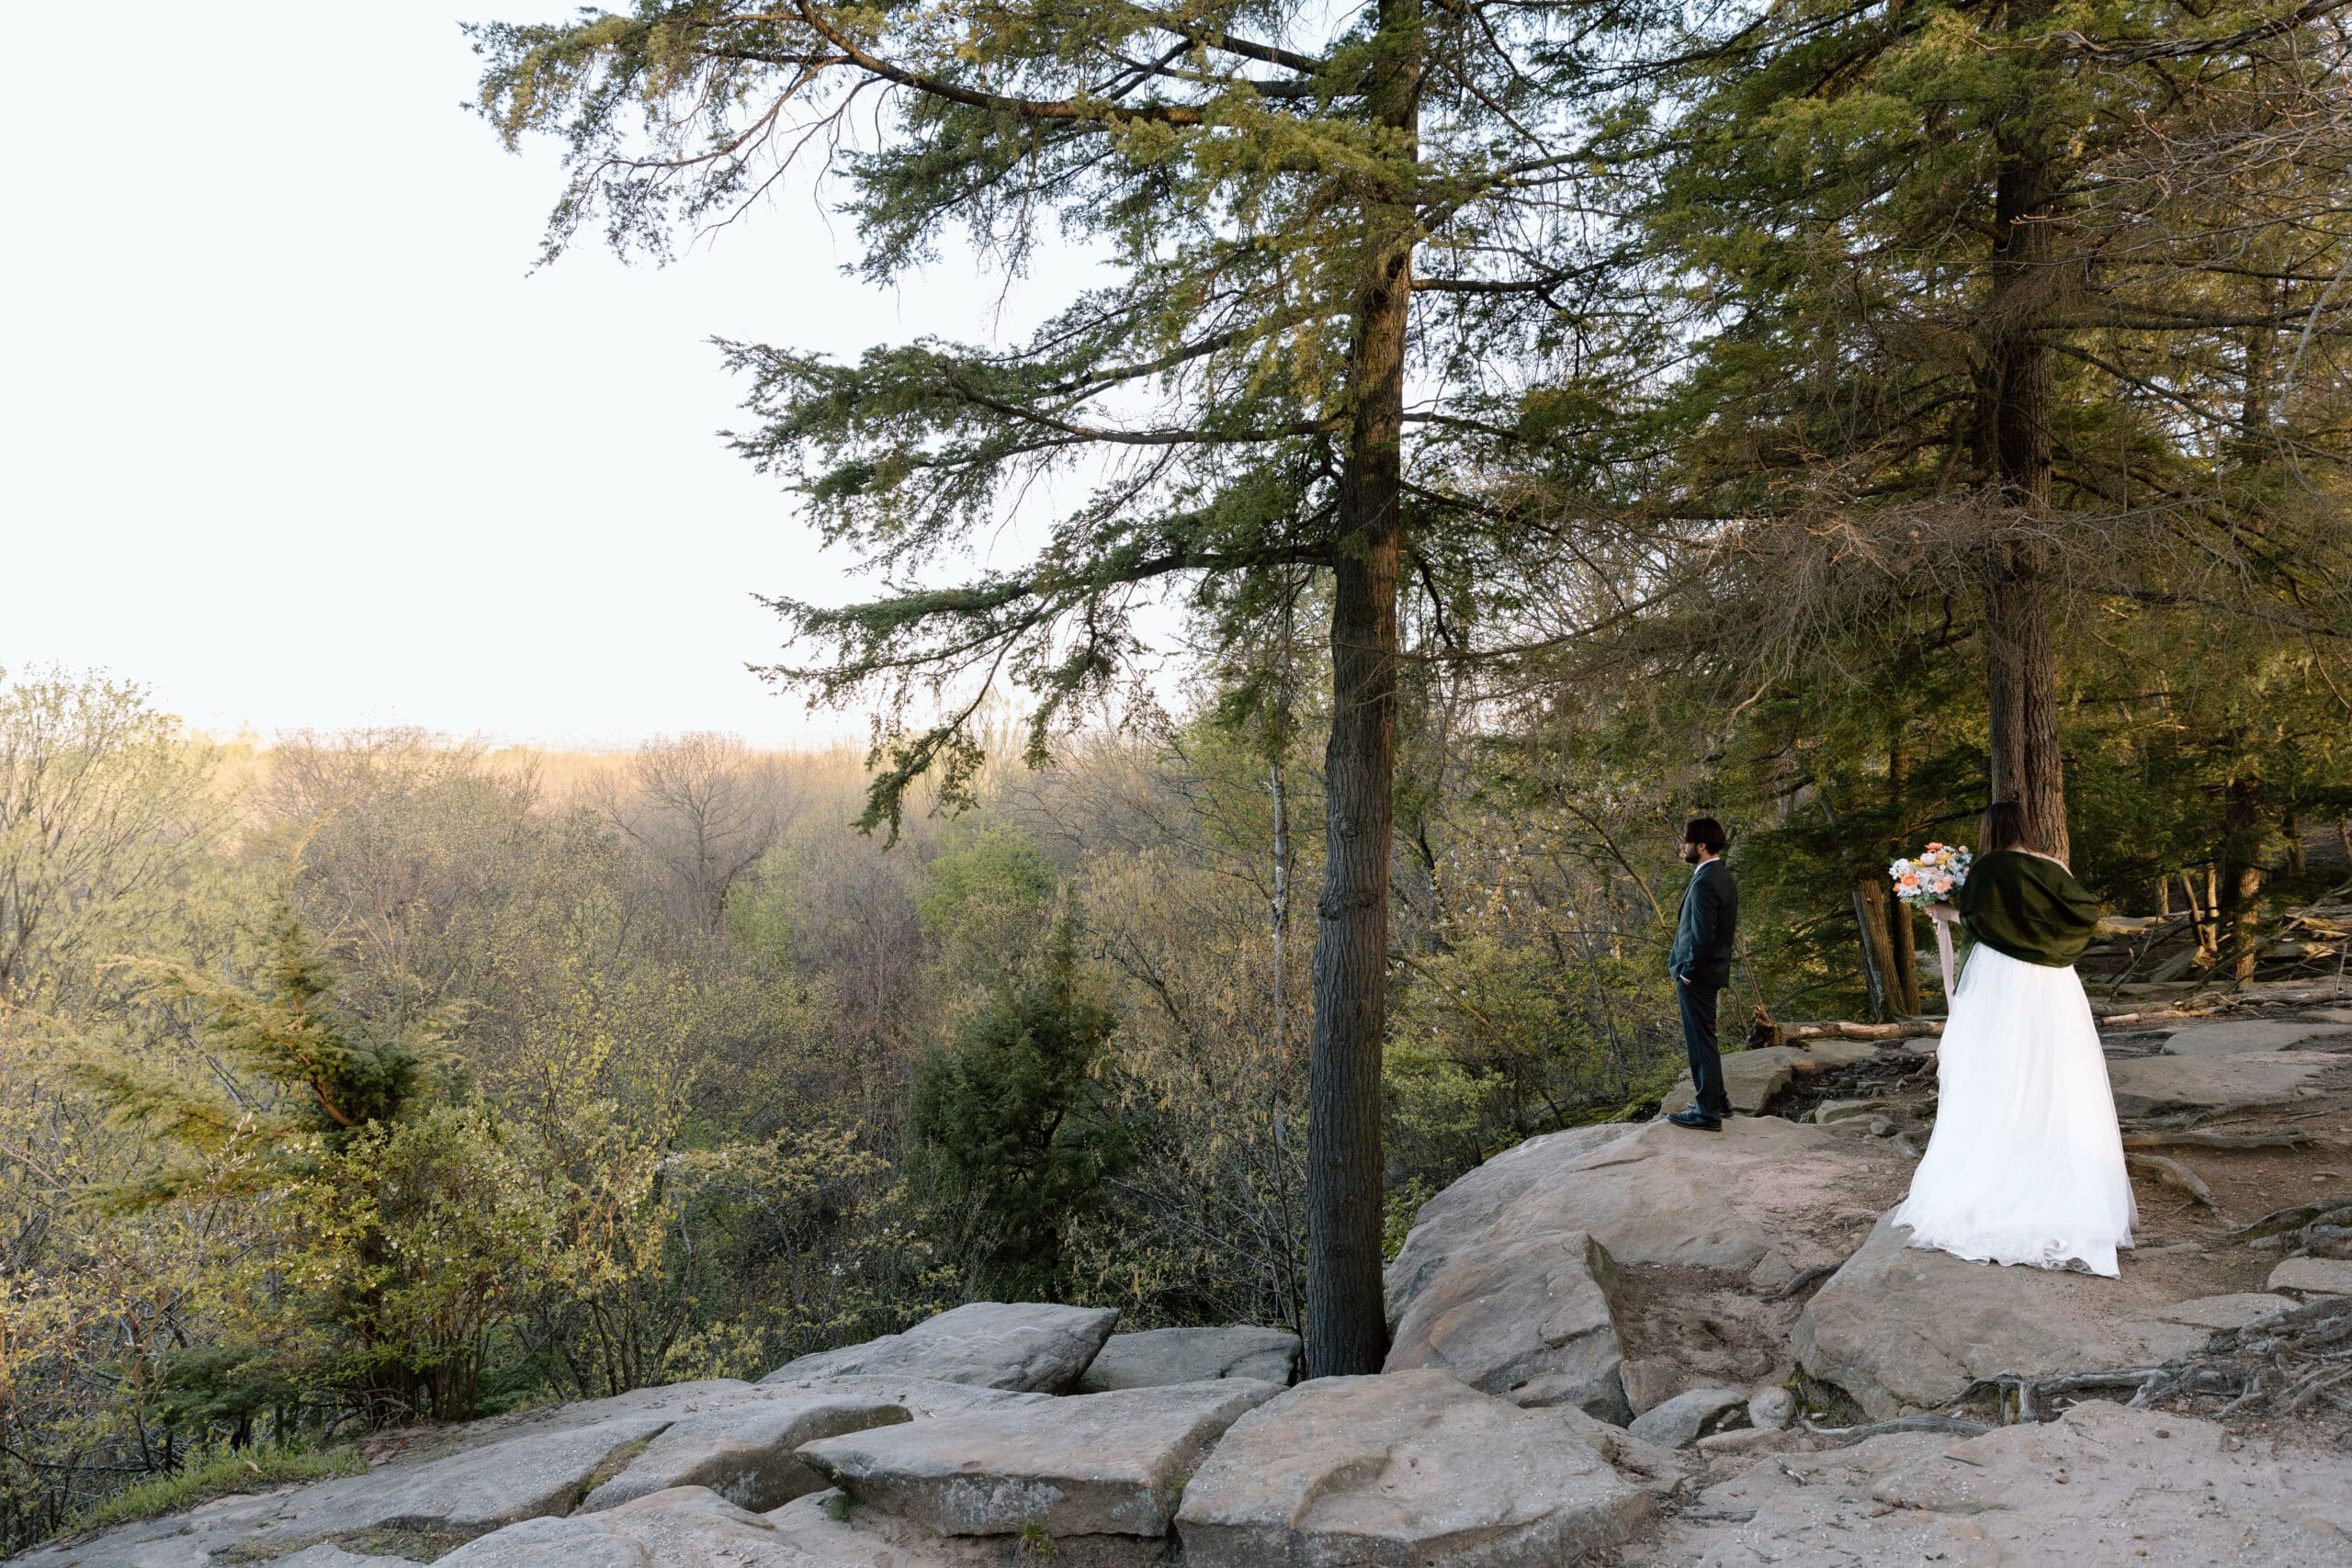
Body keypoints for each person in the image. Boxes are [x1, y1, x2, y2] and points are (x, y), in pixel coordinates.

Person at [1890, 801, 2137, 1275]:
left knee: (1998, 1065)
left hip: (2004, 978)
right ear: (2027, 826)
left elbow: (1985, 922)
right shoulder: (2055, 866)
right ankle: (2064, 1179)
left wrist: (1946, 911)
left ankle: (1999, 1170)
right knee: (2056, 1069)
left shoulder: (1990, 866)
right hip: (2054, 981)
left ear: (1990, 830)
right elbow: (2079, 915)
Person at [1667, 817, 1737, 1132]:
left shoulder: (1707, 880)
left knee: (1700, 1042)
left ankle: (1708, 1113)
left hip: (1698, 975)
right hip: (1710, 972)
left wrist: (1688, 973)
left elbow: (1703, 936)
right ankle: (1717, 1101)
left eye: (1687, 841)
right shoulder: (1721, 876)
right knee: (1706, 1038)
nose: (1683, 846)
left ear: (1702, 845)